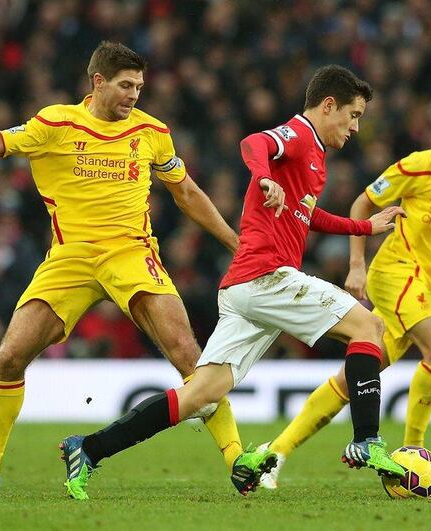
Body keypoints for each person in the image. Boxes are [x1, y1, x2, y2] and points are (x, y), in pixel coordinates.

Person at [59, 65, 408, 499]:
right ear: (328, 105)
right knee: (369, 328)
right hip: (267, 277)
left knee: (199, 396)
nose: (356, 127)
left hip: (244, 289)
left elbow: (306, 214)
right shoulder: (297, 135)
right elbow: (254, 142)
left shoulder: (315, 159)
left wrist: (364, 228)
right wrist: (262, 176)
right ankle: (367, 440)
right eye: (353, 115)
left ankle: (88, 448)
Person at [0, 41, 244, 497]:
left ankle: (238, 459)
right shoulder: (55, 123)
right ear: (98, 82)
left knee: (187, 355)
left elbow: (187, 193)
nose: (135, 95)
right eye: (126, 85)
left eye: (139, 86)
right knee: (10, 357)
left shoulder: (153, 132)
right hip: (70, 258)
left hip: (132, 253)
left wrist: (234, 242)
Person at [259, 95, 431, 489]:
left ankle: (274, 454)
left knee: (353, 378)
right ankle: (414, 453)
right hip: (394, 272)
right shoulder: (418, 166)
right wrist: (357, 265)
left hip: (428, 286)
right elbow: (361, 204)